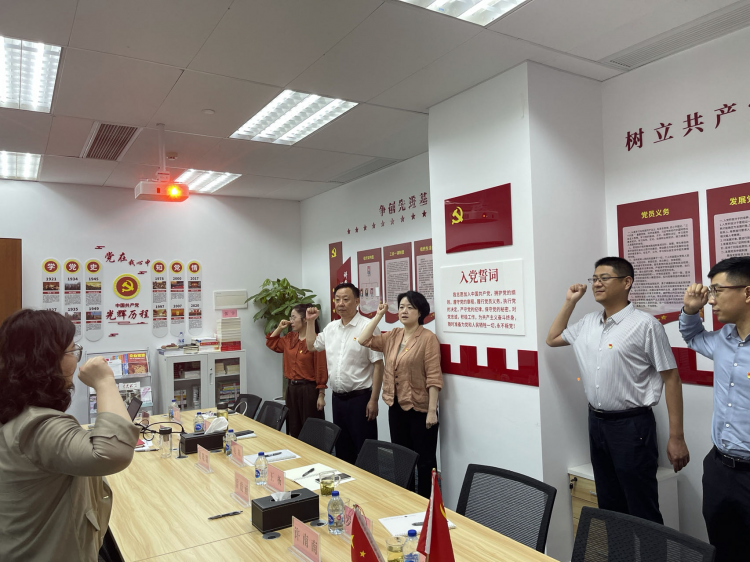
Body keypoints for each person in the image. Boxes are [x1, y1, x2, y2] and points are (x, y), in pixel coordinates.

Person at [546, 257, 689, 524]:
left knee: (641, 507)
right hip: (597, 423)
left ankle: (650, 549)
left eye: (604, 278)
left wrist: (676, 437)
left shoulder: (645, 325)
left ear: (626, 282)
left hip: (632, 426)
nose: (596, 284)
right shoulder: (588, 322)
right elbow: (552, 338)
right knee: (609, 506)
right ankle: (618, 548)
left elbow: (672, 379)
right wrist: (570, 302)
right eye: (594, 279)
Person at [0, 309, 139, 562]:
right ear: (45, 359)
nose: (76, 360)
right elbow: (113, 453)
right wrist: (105, 382)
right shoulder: (37, 425)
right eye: (72, 351)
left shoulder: (17, 410)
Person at [681, 257, 750, 562]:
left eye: (717, 291)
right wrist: (690, 310)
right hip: (720, 469)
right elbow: (693, 336)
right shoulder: (724, 338)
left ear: (747, 292)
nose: (711, 300)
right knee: (722, 550)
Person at [357, 292, 442, 498]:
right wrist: (378, 315)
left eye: (410, 307)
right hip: (396, 406)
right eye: (401, 307)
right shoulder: (393, 335)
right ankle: (405, 499)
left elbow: (433, 377)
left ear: (420, 312)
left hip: (420, 409)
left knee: (425, 461)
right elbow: (363, 339)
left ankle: (427, 503)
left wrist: (432, 411)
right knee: (401, 459)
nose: (404, 311)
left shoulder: (428, 338)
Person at [306, 283, 384, 464]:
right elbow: (312, 346)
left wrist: (374, 400)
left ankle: (368, 483)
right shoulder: (331, 328)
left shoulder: (368, 326)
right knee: (342, 450)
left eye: (346, 299)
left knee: (365, 451)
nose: (340, 303)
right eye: (337, 299)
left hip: (361, 399)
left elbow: (378, 365)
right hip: (338, 399)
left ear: (357, 301)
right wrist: (310, 322)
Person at [265, 303, 328, 438]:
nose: (291, 321)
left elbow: (321, 368)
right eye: (290, 317)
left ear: (305, 319)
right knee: (294, 427)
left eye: (294, 317)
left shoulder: (317, 340)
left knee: (311, 430)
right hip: (291, 389)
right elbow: (271, 343)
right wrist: (279, 328)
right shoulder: (290, 338)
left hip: (309, 390)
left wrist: (321, 395)